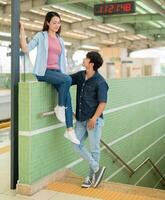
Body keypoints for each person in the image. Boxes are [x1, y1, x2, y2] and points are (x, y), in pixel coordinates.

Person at [20, 11, 79, 144]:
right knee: (68, 80)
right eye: (54, 22)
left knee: (68, 97)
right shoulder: (41, 36)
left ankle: (69, 130)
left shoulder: (60, 40)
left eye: (59, 22)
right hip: (44, 72)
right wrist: (22, 30)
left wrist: (62, 73)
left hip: (57, 73)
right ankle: (59, 106)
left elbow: (60, 60)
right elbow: (25, 49)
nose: (57, 25)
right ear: (47, 23)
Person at [70, 51, 109, 188]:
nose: (83, 59)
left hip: (94, 121)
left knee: (94, 150)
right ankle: (96, 168)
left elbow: (103, 102)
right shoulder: (80, 76)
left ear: (91, 63)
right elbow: (66, 80)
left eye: (86, 58)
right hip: (81, 119)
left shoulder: (100, 82)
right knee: (75, 144)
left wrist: (94, 118)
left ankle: (91, 178)